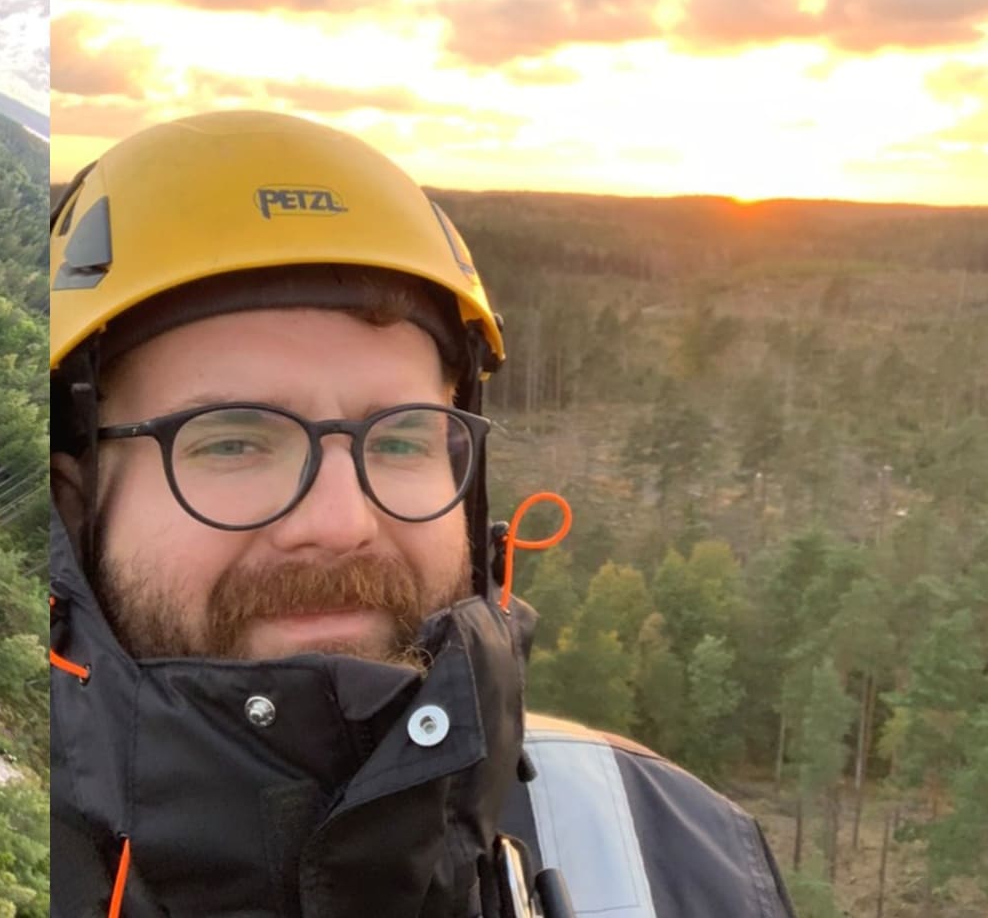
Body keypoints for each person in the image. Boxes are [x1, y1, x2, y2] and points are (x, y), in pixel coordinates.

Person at [48, 111, 793, 917]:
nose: (342, 522)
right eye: (232, 443)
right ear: (73, 501)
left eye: (401, 441)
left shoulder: (673, 853)